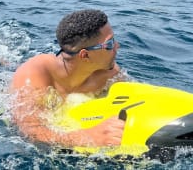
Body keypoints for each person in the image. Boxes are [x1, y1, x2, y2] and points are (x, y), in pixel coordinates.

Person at [10, 9, 127, 147]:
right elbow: (30, 132)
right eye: (109, 44)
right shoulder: (33, 77)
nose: (117, 46)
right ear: (85, 55)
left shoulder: (110, 75)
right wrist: (87, 138)